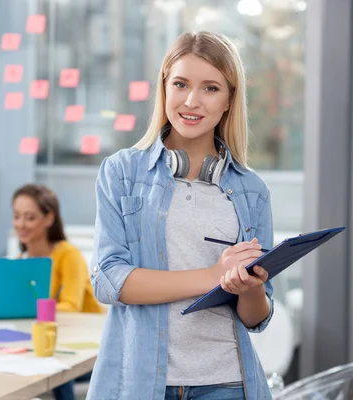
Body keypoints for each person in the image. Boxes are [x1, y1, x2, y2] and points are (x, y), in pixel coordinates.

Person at [87, 31, 274, 400]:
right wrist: (212, 276)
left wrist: (249, 287)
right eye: (180, 84)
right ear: (164, 89)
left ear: (228, 100)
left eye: (210, 88)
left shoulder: (252, 190)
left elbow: (256, 318)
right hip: (140, 381)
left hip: (227, 382)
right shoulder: (121, 172)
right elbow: (109, 280)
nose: (192, 101)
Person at [12, 183, 101, 400]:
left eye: (29, 217)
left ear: (49, 219)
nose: (21, 224)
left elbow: (71, 307)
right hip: (47, 344)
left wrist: (33, 309)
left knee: (57, 367)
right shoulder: (20, 262)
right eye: (16, 216)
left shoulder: (68, 255)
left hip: (87, 348)